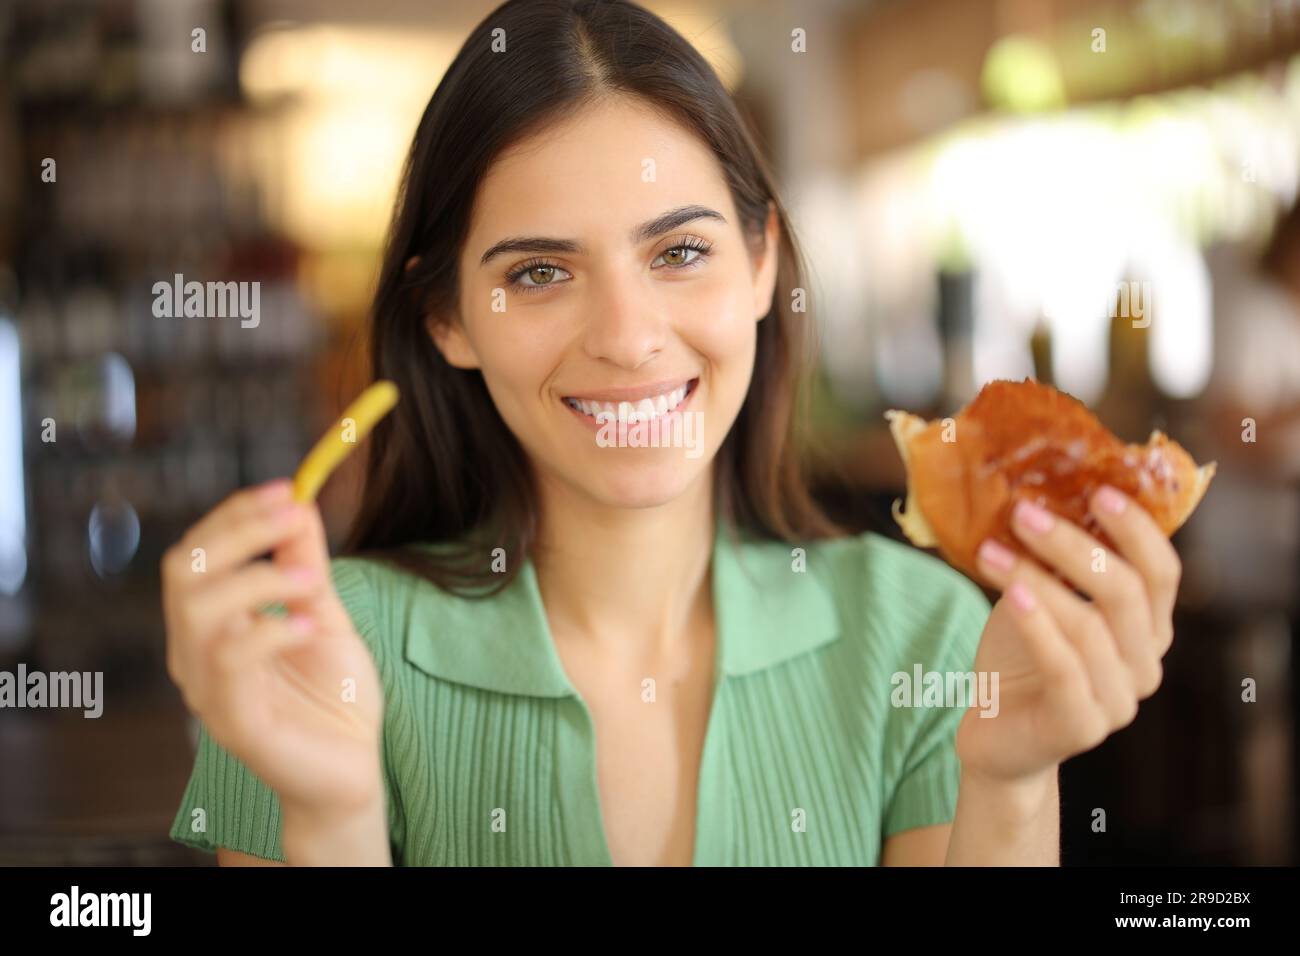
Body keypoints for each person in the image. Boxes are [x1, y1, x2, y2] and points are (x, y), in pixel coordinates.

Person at [163, 0, 1183, 866]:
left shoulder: (924, 637)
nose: (626, 337)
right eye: (537, 272)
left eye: (679, 250)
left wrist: (1008, 784)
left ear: (758, 266)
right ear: (447, 320)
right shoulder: (318, 653)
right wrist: (333, 821)